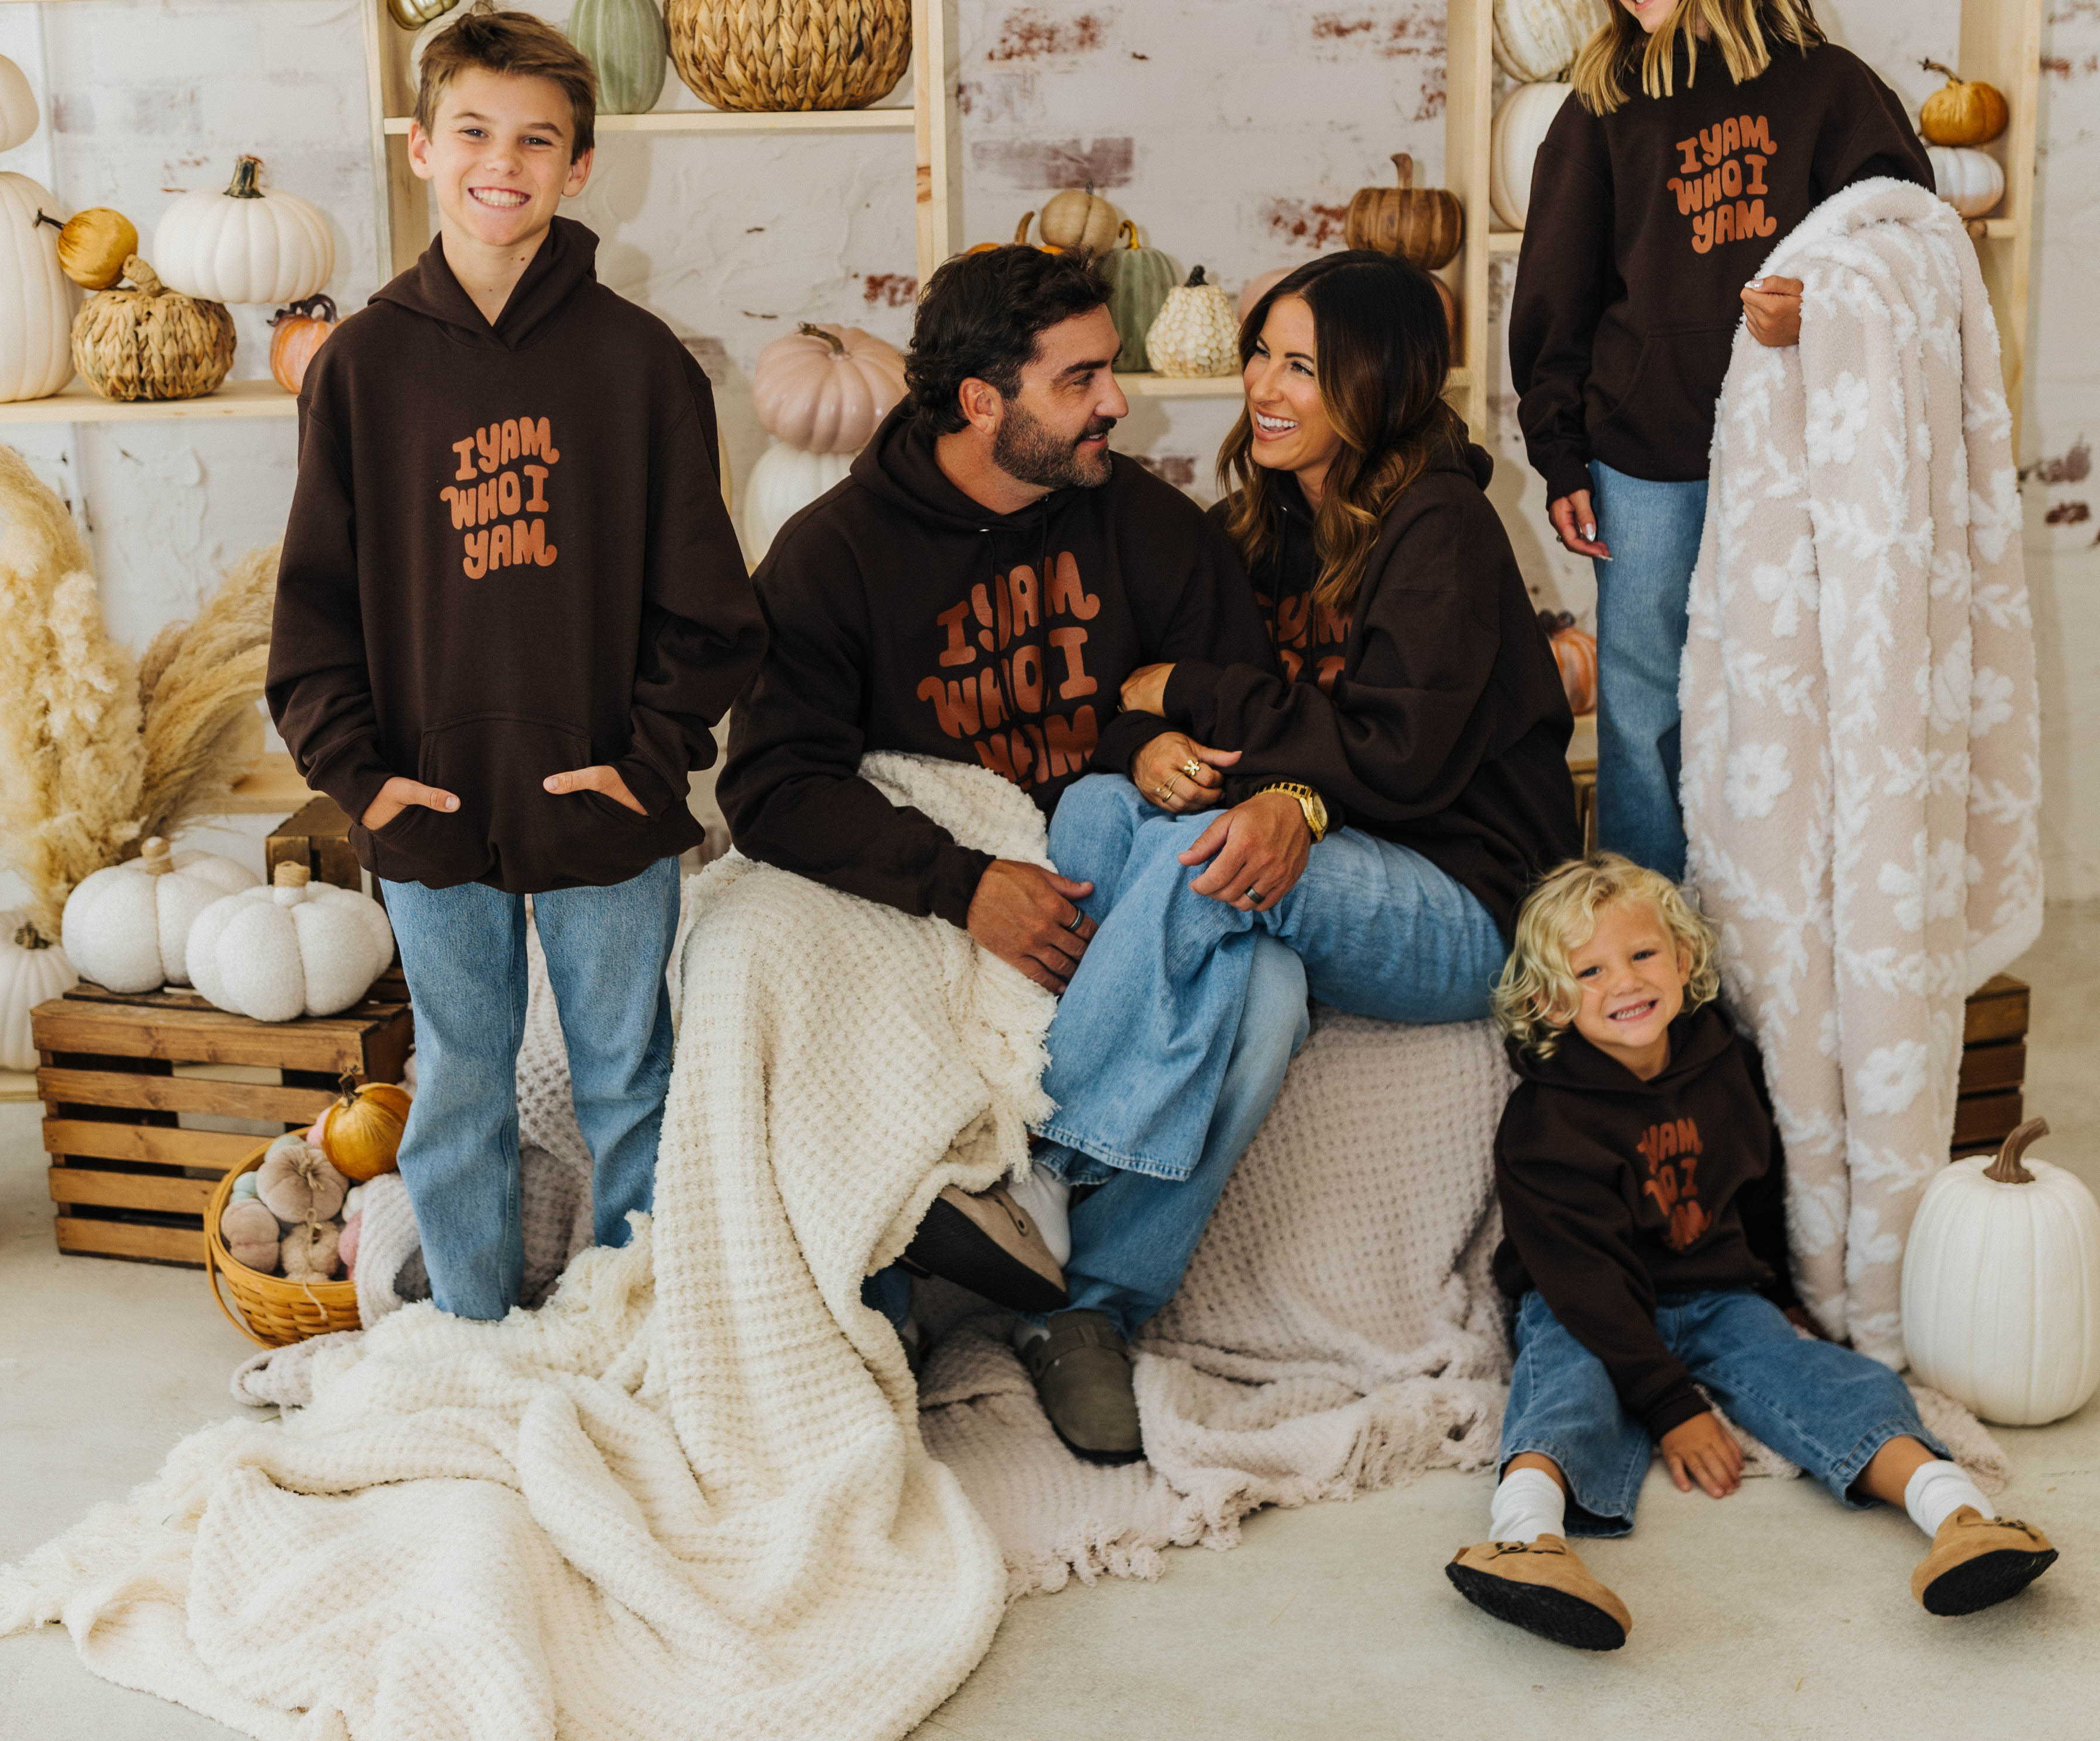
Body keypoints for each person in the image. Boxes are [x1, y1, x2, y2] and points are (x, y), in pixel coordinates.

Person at [716, 239, 1297, 1448]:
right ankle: (875, 1290)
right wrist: (964, 885)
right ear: (983, 403)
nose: (1116, 403)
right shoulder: (835, 556)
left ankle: (1086, 1308)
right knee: (778, 952)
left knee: (1274, 986)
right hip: (946, 883)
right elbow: (770, 783)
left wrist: (1145, 734)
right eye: (1080, 380)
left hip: (1105, 867)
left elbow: (1237, 694)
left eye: (1111, 374)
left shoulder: (1140, 521)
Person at [1015, 248, 1582, 1460]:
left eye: (1302, 366)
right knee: (1145, 858)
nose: (1265, 385)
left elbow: (1400, 755)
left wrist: (1215, 711)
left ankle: (1036, 1158)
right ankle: (1093, 1310)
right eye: (1262, 353)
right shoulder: (1266, 520)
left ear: (1375, 381)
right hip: (1339, 861)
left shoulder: (1445, 531)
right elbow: (1138, 694)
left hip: (1468, 900)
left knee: (1195, 863)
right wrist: (1153, 736)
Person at [266, 0, 763, 1320]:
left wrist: (650, 767)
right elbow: (312, 605)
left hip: (604, 802)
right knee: (461, 1087)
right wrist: (360, 782)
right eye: (475, 130)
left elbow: (710, 612)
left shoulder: (644, 366)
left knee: (627, 1085)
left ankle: (643, 1338)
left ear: (582, 166)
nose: (505, 161)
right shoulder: (362, 365)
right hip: (429, 806)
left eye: (539, 140)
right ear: (421, 147)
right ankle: (475, 1350)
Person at [1446, 852, 2061, 1652]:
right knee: (1566, 1392)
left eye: (1640, 955)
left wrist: (1782, 1288)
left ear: (1685, 958)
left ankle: (1959, 1517)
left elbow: (1757, 1186)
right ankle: (1528, 1542)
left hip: (1714, 1292)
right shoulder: (1543, 1122)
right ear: (1547, 1001)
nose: (1623, 982)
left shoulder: (1723, 1063)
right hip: (1584, 1305)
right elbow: (1581, 1277)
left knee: (1823, 1378)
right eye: (1588, 970)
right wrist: (1671, 1406)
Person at [1509, 0, 1935, 881]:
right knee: (1646, 698)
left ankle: (1781, 922)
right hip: (1645, 459)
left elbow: (1908, 247)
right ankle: (1651, 928)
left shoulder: (1833, 90)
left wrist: (1825, 306)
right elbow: (1554, 296)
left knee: (1793, 687)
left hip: (1799, 455)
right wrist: (1560, 452)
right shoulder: (1605, 105)